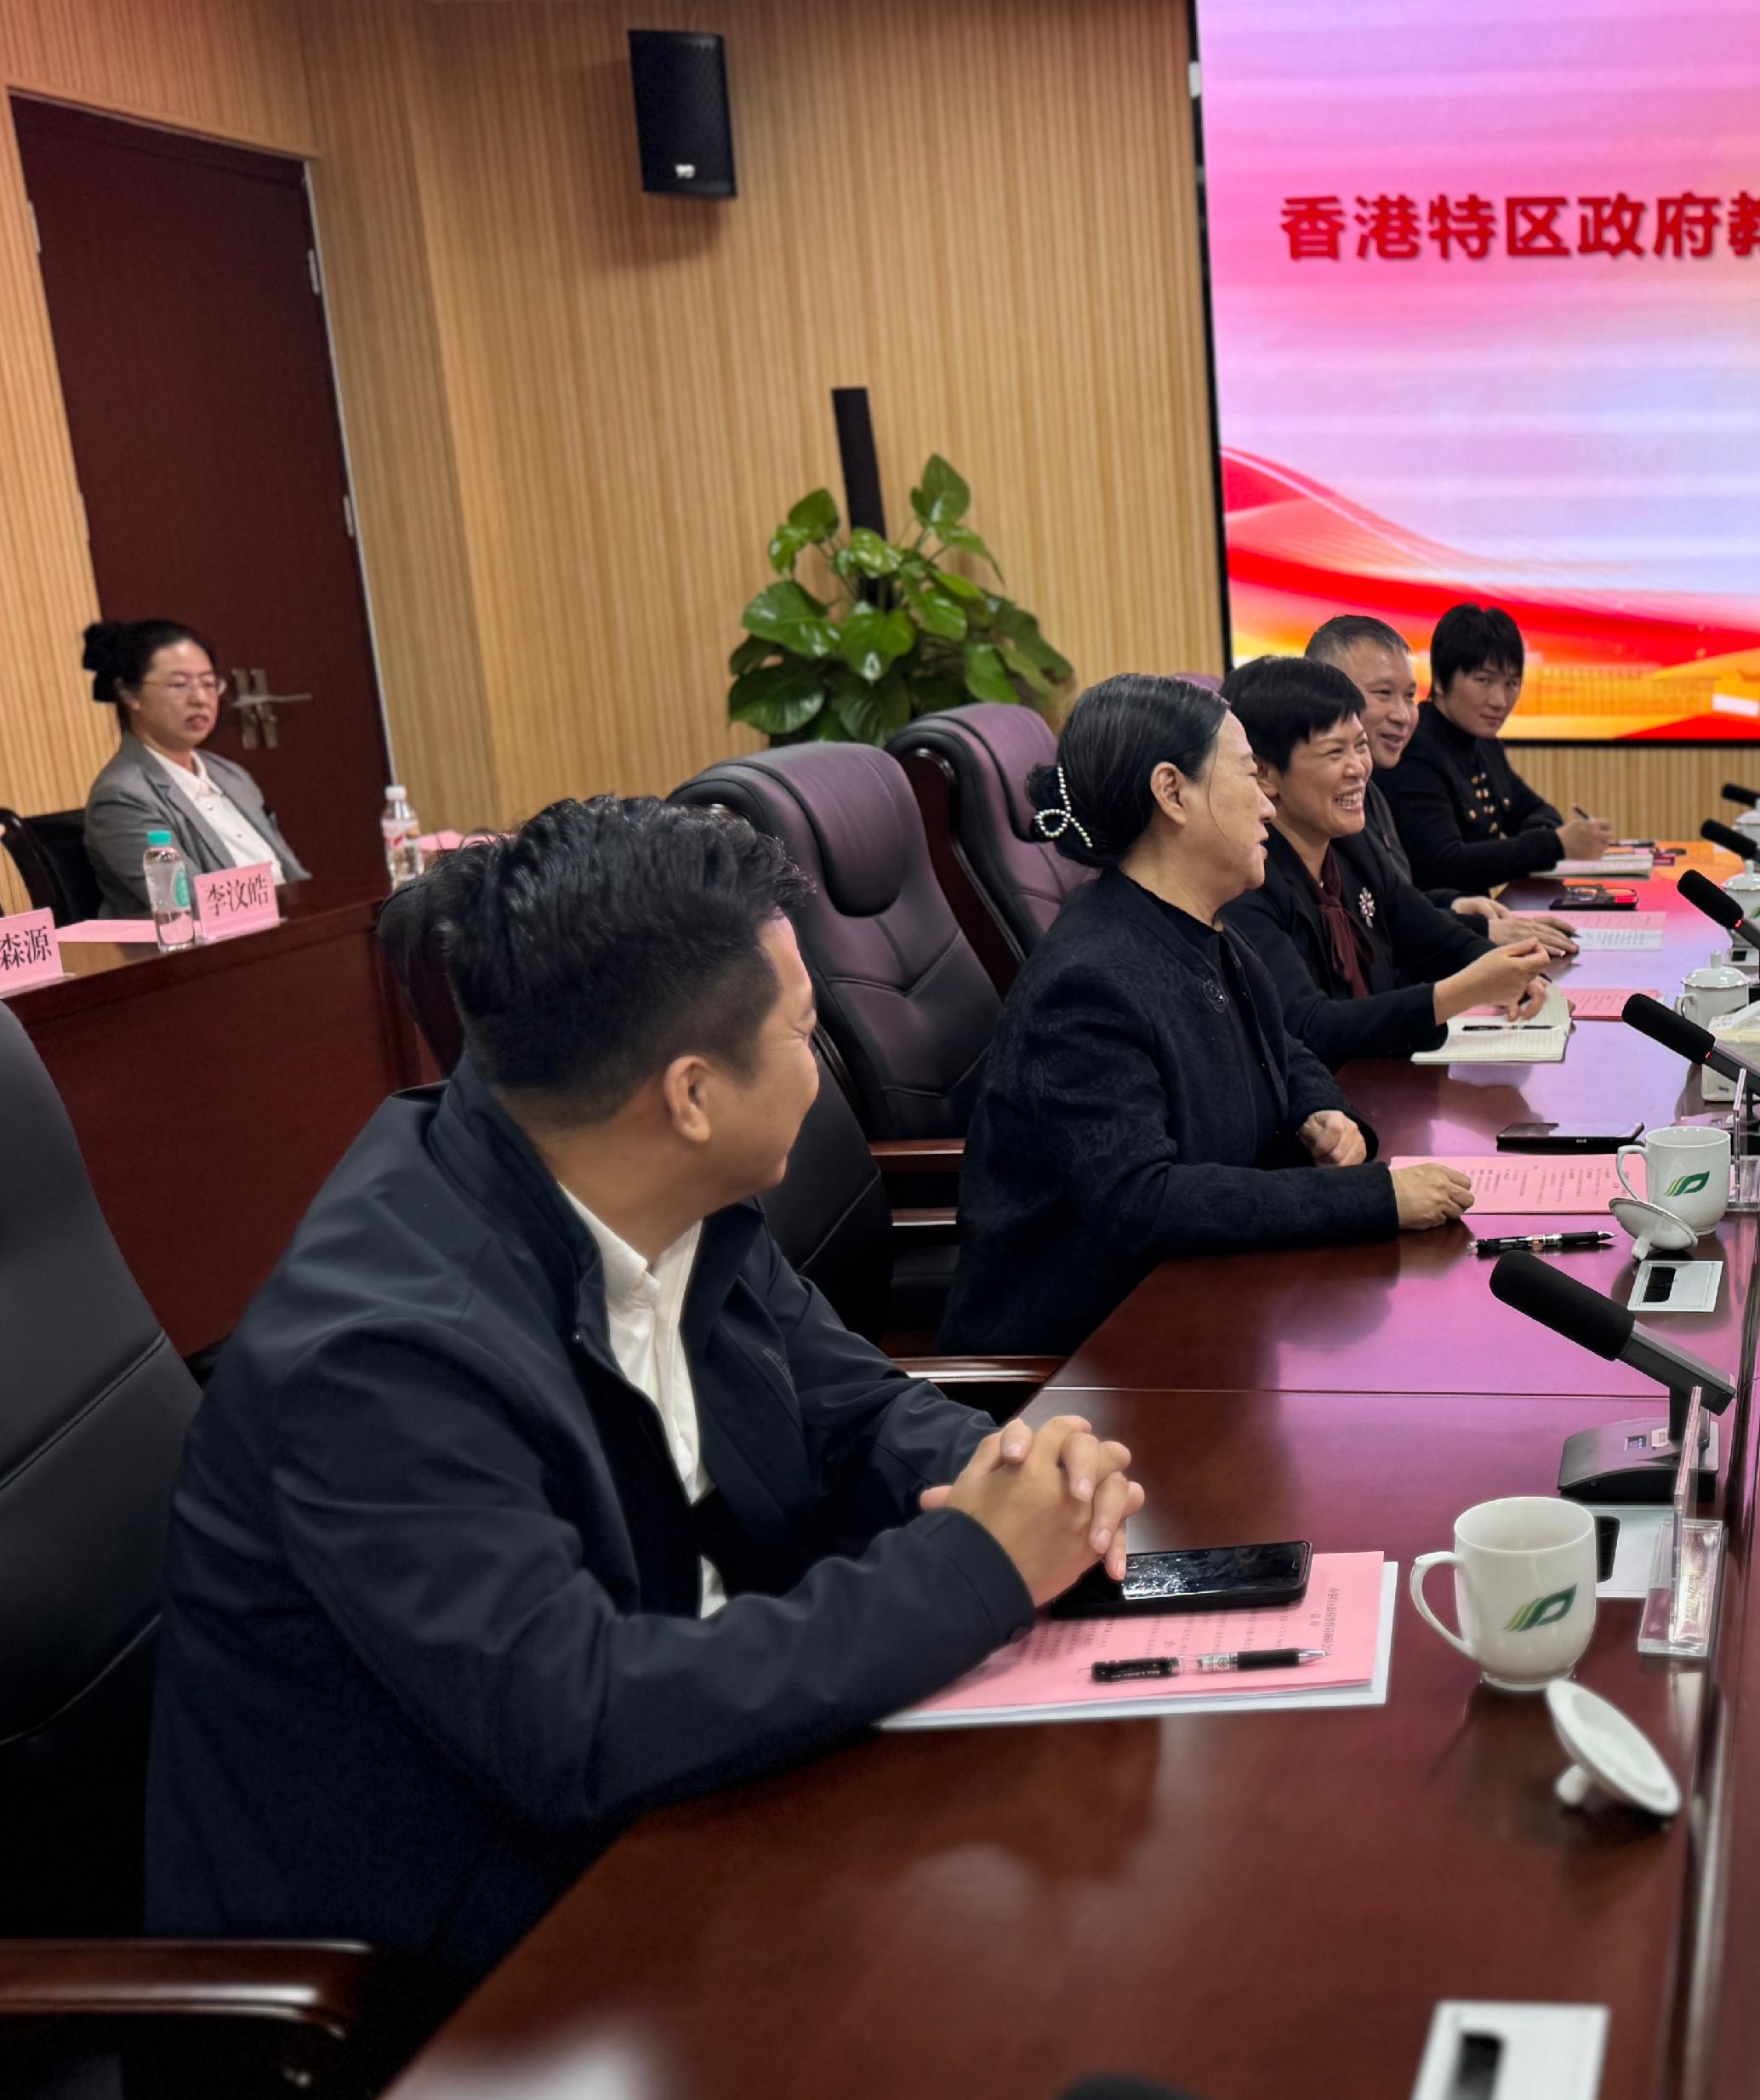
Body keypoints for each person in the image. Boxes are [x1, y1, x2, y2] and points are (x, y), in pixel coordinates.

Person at [145, 796, 1142, 2006]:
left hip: (703, 1812)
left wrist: (1023, 1479)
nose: (824, 1069)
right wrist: (978, 1566)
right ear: (688, 1094)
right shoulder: (382, 1358)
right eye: (804, 1032)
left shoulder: (666, 1188)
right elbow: (581, 1723)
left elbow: (856, 1410)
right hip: (478, 1975)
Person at [936, 675, 1477, 1357]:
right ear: (1172, 793)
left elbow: (1284, 1045)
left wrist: (1320, 1112)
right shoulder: (1089, 982)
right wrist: (1374, 1200)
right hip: (1083, 1374)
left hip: (1208, 1315)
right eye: (1250, 775)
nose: (1267, 804)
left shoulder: (1201, 927)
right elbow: (1145, 1200)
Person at [1221, 653, 1558, 1062]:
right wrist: (1463, 991)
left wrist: (1512, 970)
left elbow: (1433, 938)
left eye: (1360, 746)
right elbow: (1311, 1027)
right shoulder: (1245, 879)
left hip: (1389, 1086)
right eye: (1333, 753)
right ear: (1266, 775)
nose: (1358, 769)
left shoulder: (1352, 845)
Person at [1306, 612, 1577, 954]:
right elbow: (1371, 927)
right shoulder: (1332, 798)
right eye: (1383, 693)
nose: (1403, 715)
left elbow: (1392, 903)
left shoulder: (1371, 789)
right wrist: (1479, 929)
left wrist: (1454, 906)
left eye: (1407, 696)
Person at [80, 618, 308, 917]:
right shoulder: (122, 796)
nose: (200, 699)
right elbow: (190, 905)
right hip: (207, 953)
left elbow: (293, 875)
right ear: (129, 694)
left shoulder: (231, 775)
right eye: (179, 684)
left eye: (209, 684)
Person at [1382, 603, 1615, 893]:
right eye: (1484, 681)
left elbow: (1537, 810)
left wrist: (1545, 838)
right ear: (1441, 681)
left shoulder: (1484, 743)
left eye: (1511, 683)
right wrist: (1555, 844)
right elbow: (1444, 866)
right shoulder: (1416, 748)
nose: (1500, 701)